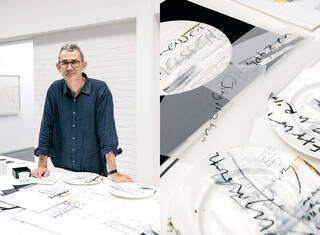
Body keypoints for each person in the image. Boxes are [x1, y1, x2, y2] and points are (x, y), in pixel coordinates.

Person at [32, 43, 133, 183]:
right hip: (61, 169)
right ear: (58, 67)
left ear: (84, 65)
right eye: (64, 63)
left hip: (93, 171)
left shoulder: (100, 90)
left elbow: (106, 131)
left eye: (74, 62)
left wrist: (113, 172)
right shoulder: (54, 90)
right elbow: (46, 127)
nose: (69, 67)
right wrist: (42, 165)